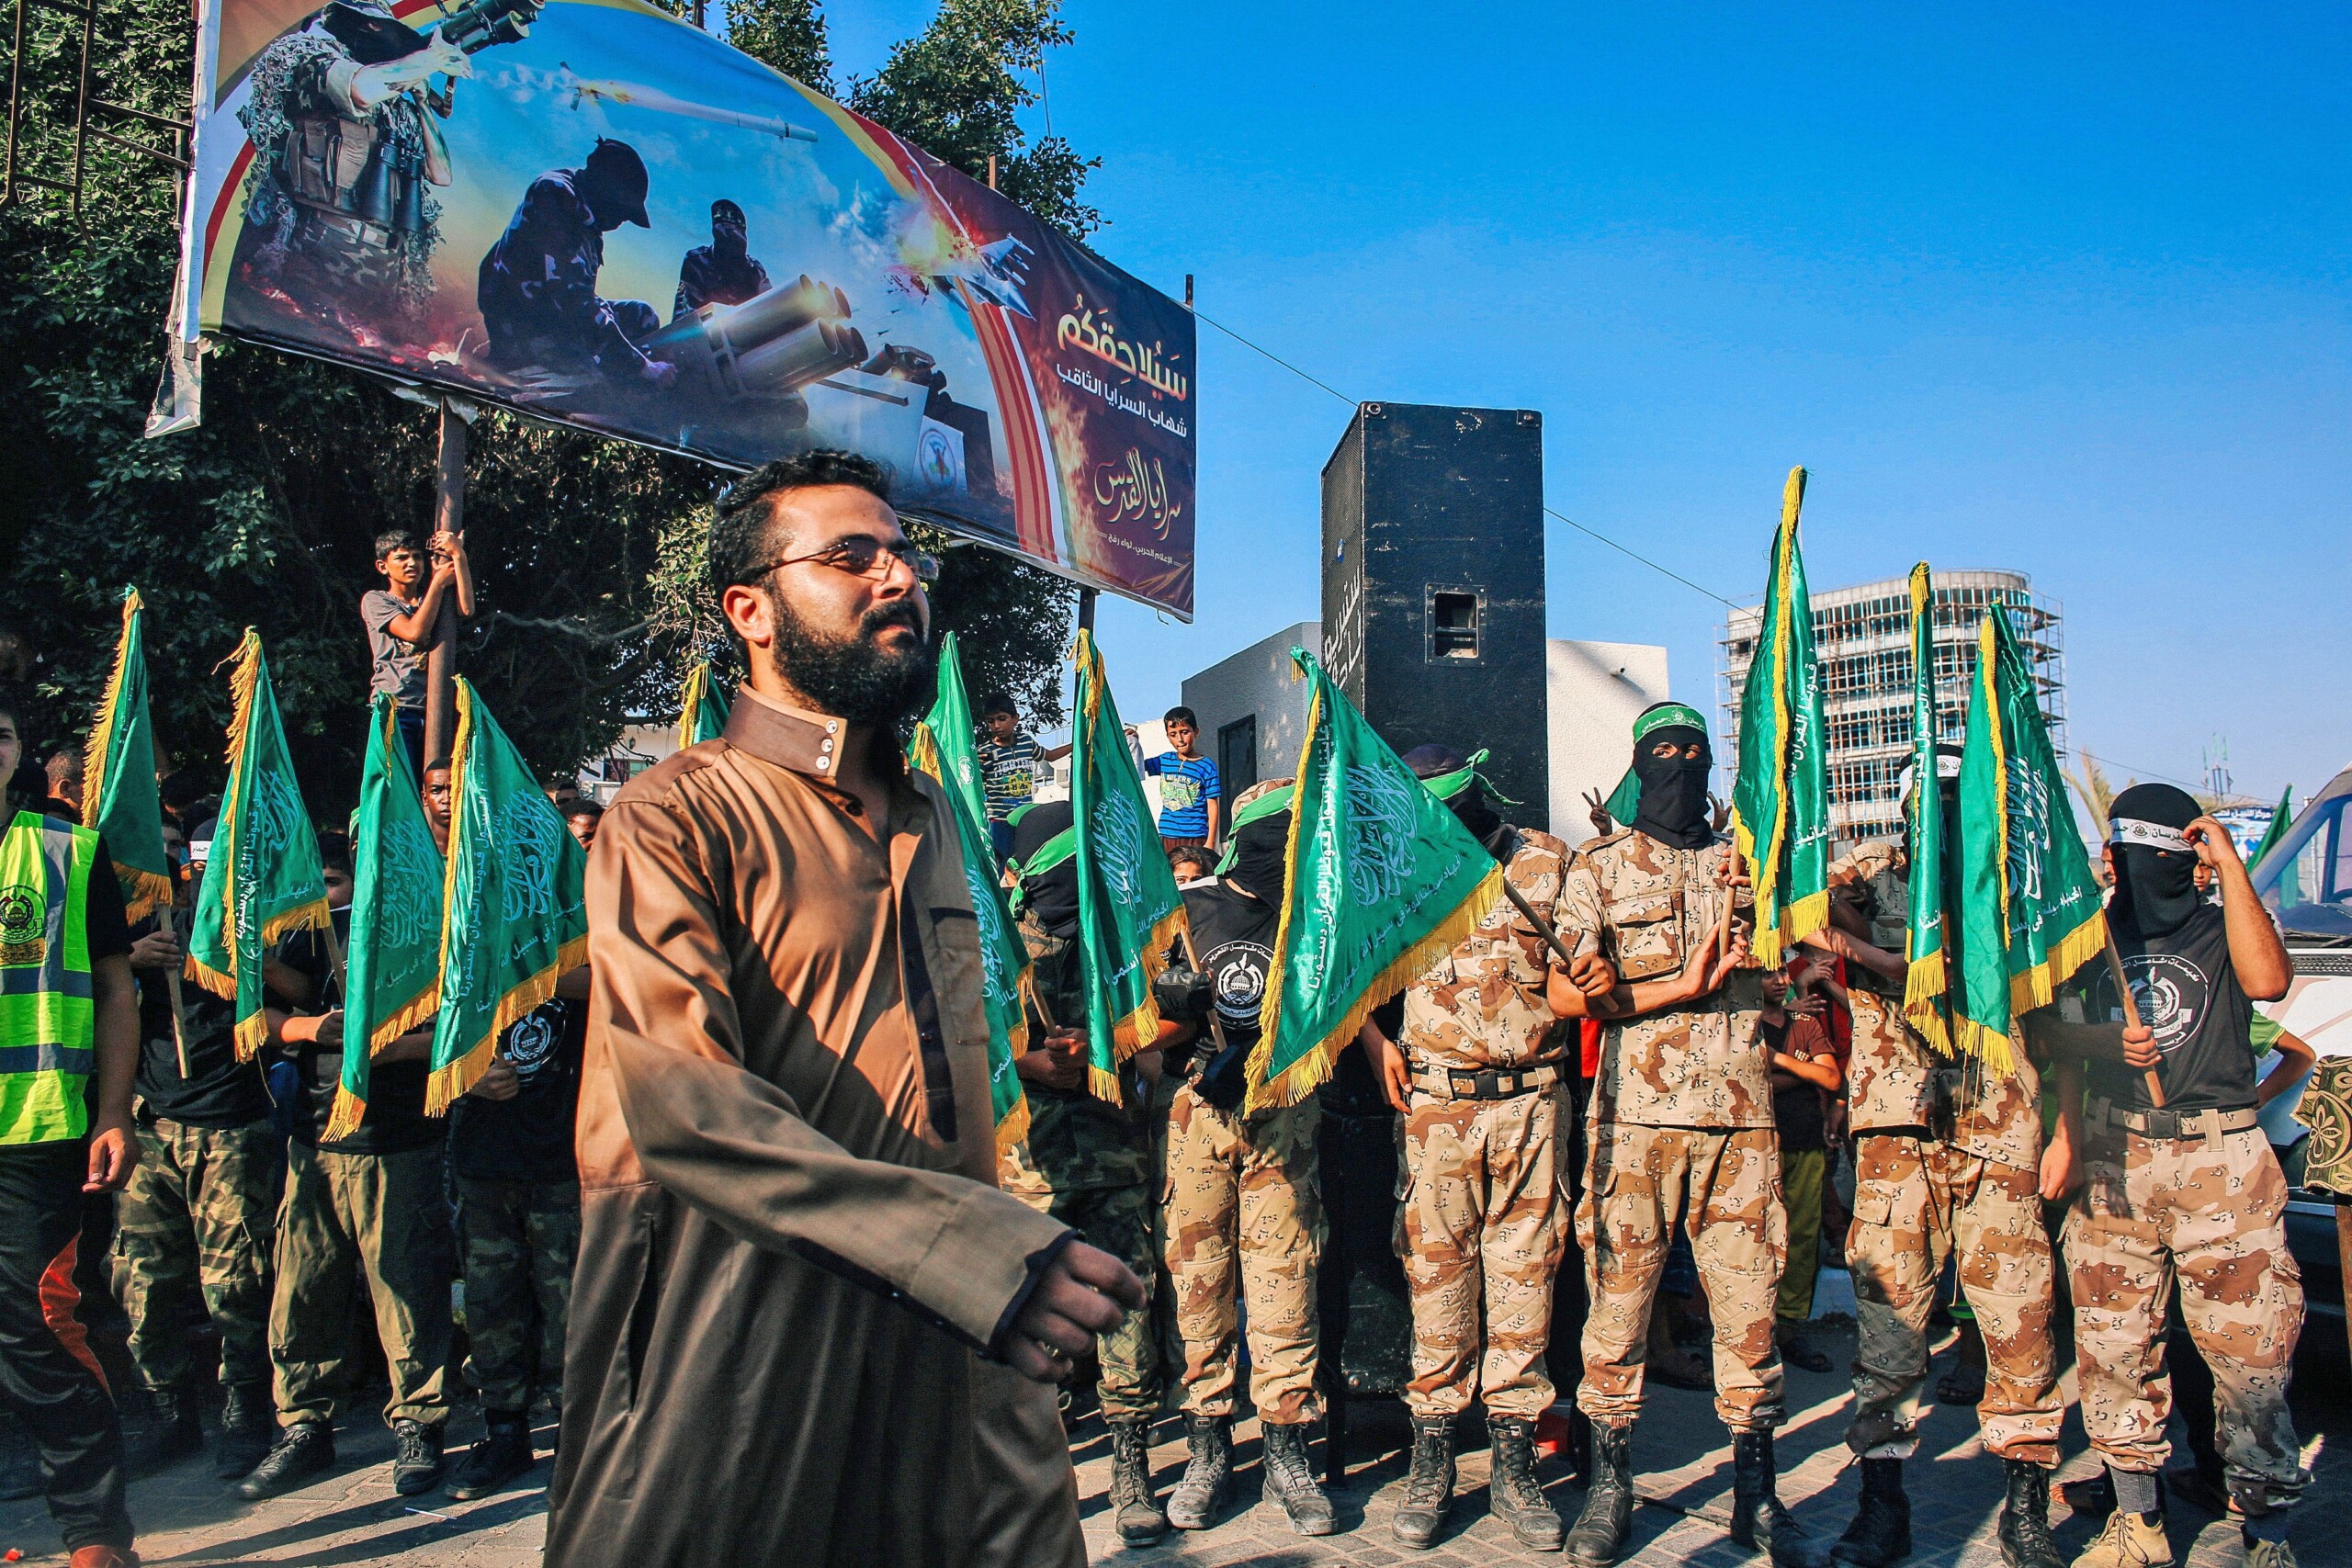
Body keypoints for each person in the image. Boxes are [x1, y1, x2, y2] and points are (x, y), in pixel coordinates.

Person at [546, 450, 1139, 1566]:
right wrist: (966, 1250)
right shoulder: (677, 815)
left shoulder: (937, 816)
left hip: (966, 1335)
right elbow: (685, 1104)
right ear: (750, 610)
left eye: (904, 553)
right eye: (849, 556)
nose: (897, 577)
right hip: (744, 1317)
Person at [1792, 750, 2067, 1568]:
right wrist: (1861, 939)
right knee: (1888, 1332)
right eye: (1930, 803)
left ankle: (2025, 1510)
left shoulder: (2016, 887)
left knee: (2019, 1324)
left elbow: (2012, 985)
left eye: (1959, 801)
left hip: (1993, 1128)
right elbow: (1784, 905)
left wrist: (2069, 1132)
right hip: (1897, 1138)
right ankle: (1883, 1509)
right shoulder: (1868, 880)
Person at [1546, 700, 1801, 1568]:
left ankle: (1756, 1494)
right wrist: (1677, 984)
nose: (1682, 765)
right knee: (1616, 1314)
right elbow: (1565, 997)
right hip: (1636, 1129)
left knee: (1750, 1315)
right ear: (1640, 762)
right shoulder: (1600, 868)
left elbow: (1787, 977)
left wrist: (1768, 963)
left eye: (1695, 751)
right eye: (1665, 752)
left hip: (1741, 1126)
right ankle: (1610, 1486)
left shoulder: (1749, 863)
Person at [2029, 784, 2305, 1568]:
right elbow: (2049, 1029)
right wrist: (2098, 1059)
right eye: (2111, 851)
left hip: (2222, 1163)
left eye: (2133, 852)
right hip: (2121, 1157)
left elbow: (2268, 982)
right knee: (2115, 1348)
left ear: (2178, 858)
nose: (2117, 866)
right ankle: (2136, 1523)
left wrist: (2230, 865)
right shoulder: (2091, 937)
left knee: (2251, 1355)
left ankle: (2266, 1532)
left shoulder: (2225, 927)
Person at [1356, 744, 1614, 1551]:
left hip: (1534, 1105)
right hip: (1437, 1105)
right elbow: (1343, 964)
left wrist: (1596, 977)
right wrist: (1374, 1041)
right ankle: (1432, 1459)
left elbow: (1581, 972)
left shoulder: (1547, 861)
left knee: (1526, 1280)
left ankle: (1513, 1464)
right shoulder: (1399, 861)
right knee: (1435, 1280)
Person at [237, 763, 456, 1502]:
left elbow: (461, 1028)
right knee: (302, 1290)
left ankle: (419, 1422)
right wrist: (307, 1024)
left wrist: (379, 1042)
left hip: (395, 1139)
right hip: (313, 1139)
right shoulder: (315, 929)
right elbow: (259, 1011)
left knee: (405, 1287)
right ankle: (304, 1425)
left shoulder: (429, 931)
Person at [1158, 778, 1335, 1538]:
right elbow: (1144, 1038)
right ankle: (1206, 1448)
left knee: (1284, 1281)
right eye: (1281, 836)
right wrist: (1179, 1008)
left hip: (1285, 1114)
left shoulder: (1312, 913)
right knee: (1200, 1283)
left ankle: (1287, 1450)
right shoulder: (1190, 910)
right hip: (1200, 1114)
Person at [0, 689, 143, 1568]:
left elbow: (119, 990)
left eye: (3, 730)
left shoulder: (65, 848)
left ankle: (94, 1535)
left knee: (42, 1326)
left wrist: (117, 1110)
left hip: (37, 1129)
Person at [1001, 801, 1167, 1546]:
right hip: (1033, 1166)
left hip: (1114, 1149)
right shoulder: (999, 945)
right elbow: (968, 1043)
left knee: (1126, 1300)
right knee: (1035, 1319)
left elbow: (1163, 1020)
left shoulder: (1118, 938)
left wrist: (1117, 1052)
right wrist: (1029, 1062)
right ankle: (1044, 1474)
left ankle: (1131, 1462)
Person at [111, 822, 283, 1483]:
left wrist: (216, 958)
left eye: (185, 855)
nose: (177, 869)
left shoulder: (249, 921)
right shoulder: (125, 929)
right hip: (150, 1120)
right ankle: (168, 1411)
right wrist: (130, 958)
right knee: (143, 1280)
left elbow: (292, 999)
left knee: (235, 1281)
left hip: (228, 1122)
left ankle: (245, 1407)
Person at [444, 970, 589, 1499]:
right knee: (491, 1304)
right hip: (485, 1156)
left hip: (565, 1156)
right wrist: (465, 1073)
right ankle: (503, 1432)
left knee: (571, 1305)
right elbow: (426, 1024)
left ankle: (576, 1435)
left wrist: (524, 961)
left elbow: (617, 981)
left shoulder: (576, 918)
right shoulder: (466, 928)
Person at [230, 0, 470, 309]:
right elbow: (358, 89)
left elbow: (441, 175)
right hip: (313, 252)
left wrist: (422, 103)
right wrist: (429, 60)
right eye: (373, 24)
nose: (379, 34)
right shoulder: (303, 53)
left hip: (383, 267)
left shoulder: (394, 110)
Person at [478, 138, 678, 386]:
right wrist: (641, 366)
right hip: (523, 325)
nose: (620, 222)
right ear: (607, 193)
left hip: (554, 316)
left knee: (642, 316)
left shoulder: (583, 210)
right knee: (597, 383)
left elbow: (581, 299)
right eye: (621, 212)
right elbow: (573, 300)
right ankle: (512, 364)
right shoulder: (555, 194)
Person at [1758, 964, 1841, 1378]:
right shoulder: (1747, 1025)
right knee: (1757, 1234)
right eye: (1766, 975)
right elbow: (1749, 1082)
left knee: (1803, 1234)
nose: (1778, 981)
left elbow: (1830, 1076)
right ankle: (1757, 1326)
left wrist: (1777, 1062)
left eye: (1781, 974)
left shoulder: (1803, 1023)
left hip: (1805, 1138)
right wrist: (1800, 1068)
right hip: (1757, 1142)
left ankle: (1790, 1326)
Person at [361, 528, 474, 777]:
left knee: (439, 786)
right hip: (397, 707)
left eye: (417, 557)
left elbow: (466, 609)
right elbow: (415, 633)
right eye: (402, 558)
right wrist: (438, 582)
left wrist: (459, 556)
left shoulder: (431, 601)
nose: (412, 563)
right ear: (383, 566)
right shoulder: (377, 601)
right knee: (403, 785)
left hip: (436, 707)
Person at [978, 694, 1053, 860]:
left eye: (1002, 719)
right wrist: (972, 764)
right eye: (991, 721)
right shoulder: (984, 752)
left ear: (1015, 718)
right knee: (1002, 865)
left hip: (1024, 818)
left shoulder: (1026, 742)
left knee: (1025, 862)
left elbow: (1051, 756)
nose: (997, 725)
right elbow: (970, 782)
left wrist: (1082, 742)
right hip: (999, 821)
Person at [672, 198, 773, 319]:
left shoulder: (755, 270)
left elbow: (772, 305)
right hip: (705, 331)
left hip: (749, 330)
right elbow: (684, 315)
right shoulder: (697, 261)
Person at [1143, 707, 1219, 852]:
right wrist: (1129, 740)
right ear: (1168, 736)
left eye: (1184, 732)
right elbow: (1135, 765)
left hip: (1195, 836)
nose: (1180, 739)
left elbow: (1212, 805)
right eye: (1173, 734)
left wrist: (1210, 842)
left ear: (1196, 732)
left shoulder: (1207, 766)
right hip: (1167, 836)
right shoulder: (1165, 760)